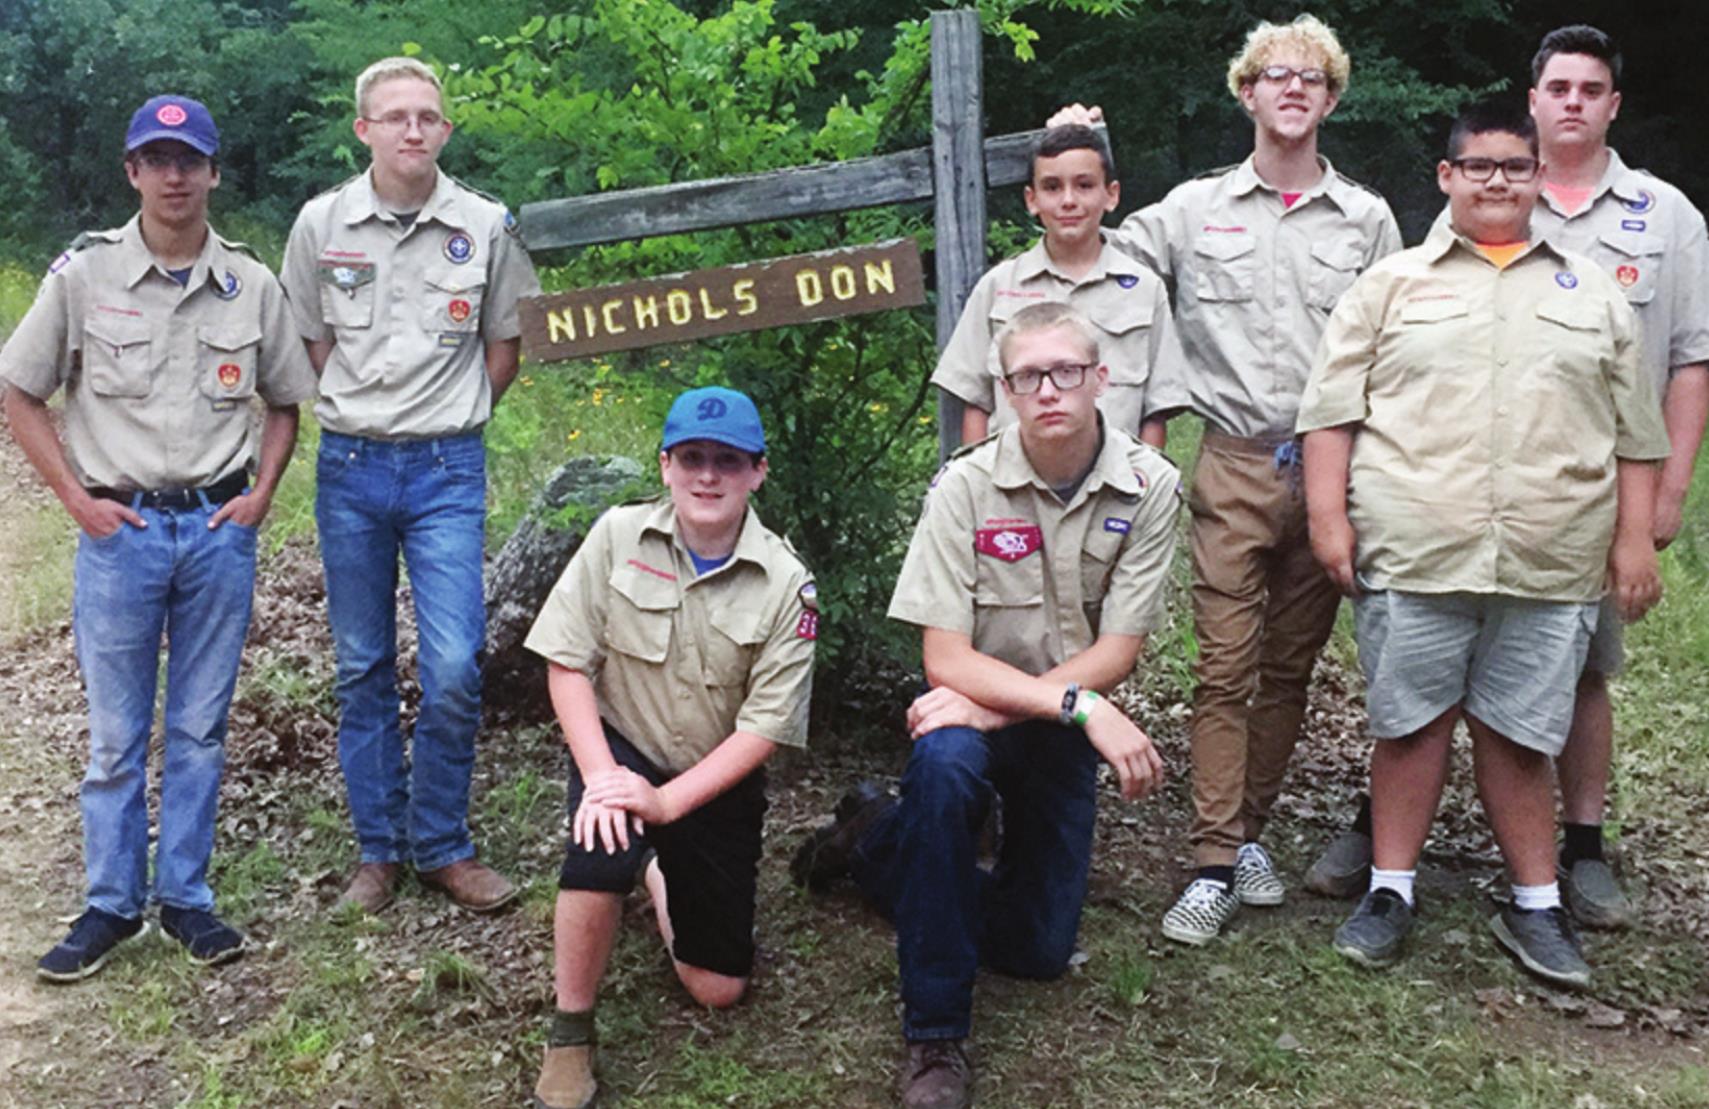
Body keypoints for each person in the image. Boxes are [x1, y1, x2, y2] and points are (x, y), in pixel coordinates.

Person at [1306, 26, 1709, 929]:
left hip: (1548, 553)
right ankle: (1389, 889)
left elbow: (1637, 430)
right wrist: (1328, 520)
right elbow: (1331, 410)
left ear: (1536, 180)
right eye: (1477, 168)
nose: (1496, 182)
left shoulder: (1593, 289)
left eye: (1512, 171)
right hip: (1419, 545)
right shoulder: (1392, 284)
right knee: (1407, 723)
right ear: (1445, 177)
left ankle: (1537, 898)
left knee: (1524, 732)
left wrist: (1636, 532)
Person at [1052, 13, 1402, 945]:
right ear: (1245, 92)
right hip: (1235, 464)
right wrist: (1084, 141)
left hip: (1333, 469)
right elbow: (1091, 244)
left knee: (1288, 668)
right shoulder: (1190, 210)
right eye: (1274, 75)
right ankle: (1212, 860)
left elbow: (1393, 350)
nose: (1293, 89)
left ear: (1330, 98)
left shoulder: (1367, 220)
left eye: (1311, 77)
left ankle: (1246, 828)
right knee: (1224, 666)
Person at [795, 302, 1178, 1109]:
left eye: (1065, 371)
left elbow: (1118, 649)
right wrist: (1073, 706)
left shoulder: (1150, 486)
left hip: (1044, 717)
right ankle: (934, 1036)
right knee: (943, 769)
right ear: (1004, 388)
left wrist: (1051, 707)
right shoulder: (965, 483)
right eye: (1028, 376)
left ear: (1100, 378)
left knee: (1038, 950)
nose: (1048, 390)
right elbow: (944, 658)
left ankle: (877, 839)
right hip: (964, 713)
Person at [2, 95, 316, 980]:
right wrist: (73, 495)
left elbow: (286, 401)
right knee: (115, 734)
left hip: (218, 533)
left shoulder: (251, 283)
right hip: (121, 532)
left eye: (190, 160)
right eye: (157, 159)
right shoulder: (83, 275)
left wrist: (261, 493)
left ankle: (185, 898)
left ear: (214, 172)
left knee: (200, 727)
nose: (175, 176)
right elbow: (18, 390)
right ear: (132, 171)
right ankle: (109, 905)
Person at [281, 56, 541, 915]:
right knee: (360, 664)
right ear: (363, 130)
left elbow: (502, 348)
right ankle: (378, 850)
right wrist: (368, 412)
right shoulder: (322, 224)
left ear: (445, 129)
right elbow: (309, 346)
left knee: (457, 663)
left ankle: (442, 844)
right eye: (394, 117)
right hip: (352, 467)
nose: (412, 130)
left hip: (445, 471)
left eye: (427, 116)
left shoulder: (485, 226)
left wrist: (448, 413)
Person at [521, 386, 816, 1109]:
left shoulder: (787, 585)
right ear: (665, 464)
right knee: (599, 841)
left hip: (712, 774)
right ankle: (569, 1034)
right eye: (691, 457)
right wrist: (602, 778)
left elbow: (763, 730)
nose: (707, 475)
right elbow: (565, 662)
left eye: (726, 460)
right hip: (621, 749)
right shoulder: (617, 535)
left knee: (717, 988)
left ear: (758, 471)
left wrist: (667, 803)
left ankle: (654, 870)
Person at [931, 124, 1189, 447]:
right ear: (1031, 199)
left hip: (1114, 487)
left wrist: (1143, 486)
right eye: (1052, 187)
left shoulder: (1143, 289)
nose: (1068, 201)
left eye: (1084, 185)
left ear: (1112, 195)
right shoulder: (998, 287)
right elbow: (975, 401)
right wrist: (981, 486)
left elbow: (1156, 410)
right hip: (1014, 488)